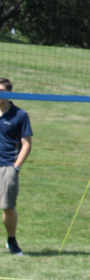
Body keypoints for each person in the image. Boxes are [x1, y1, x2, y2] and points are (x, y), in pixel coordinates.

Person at [0, 77, 33, 257]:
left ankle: (11, 240)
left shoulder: (20, 115)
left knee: (8, 207)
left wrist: (16, 166)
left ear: (8, 93)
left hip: (7, 166)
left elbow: (26, 143)